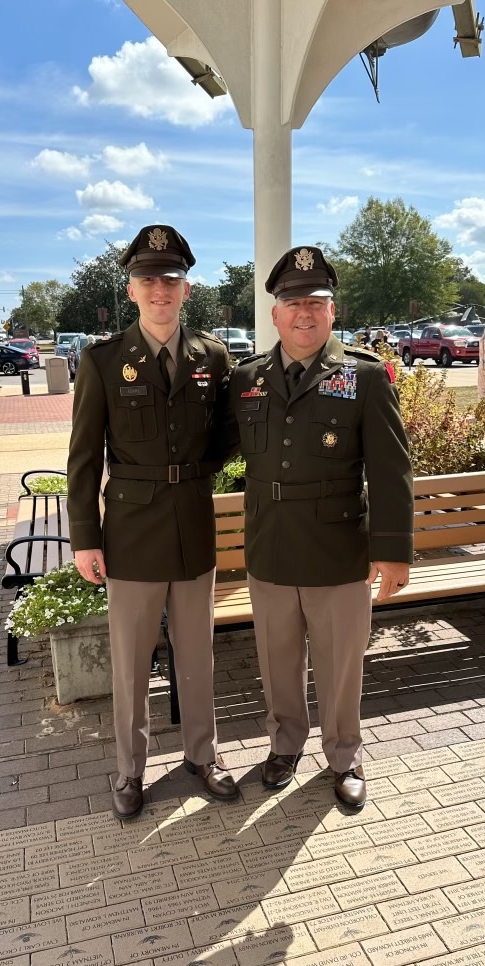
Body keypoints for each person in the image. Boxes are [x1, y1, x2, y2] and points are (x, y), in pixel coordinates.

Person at [227, 246, 414, 810]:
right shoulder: (247, 379)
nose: (303, 313)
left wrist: (394, 552)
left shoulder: (363, 377)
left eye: (315, 302)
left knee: (339, 663)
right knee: (277, 658)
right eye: (292, 303)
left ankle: (345, 753)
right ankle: (285, 746)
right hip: (271, 545)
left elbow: (390, 468)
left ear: (333, 312)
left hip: (338, 548)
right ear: (275, 313)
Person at [67, 224, 239, 820]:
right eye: (148, 280)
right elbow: (84, 459)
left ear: (186, 289)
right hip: (131, 532)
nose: (159, 289)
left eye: (170, 279)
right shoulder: (103, 360)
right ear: (132, 289)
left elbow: (224, 435)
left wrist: (191, 474)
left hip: (192, 524)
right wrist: (85, 538)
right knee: (132, 659)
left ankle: (203, 757)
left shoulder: (212, 358)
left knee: (198, 654)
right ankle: (130, 770)